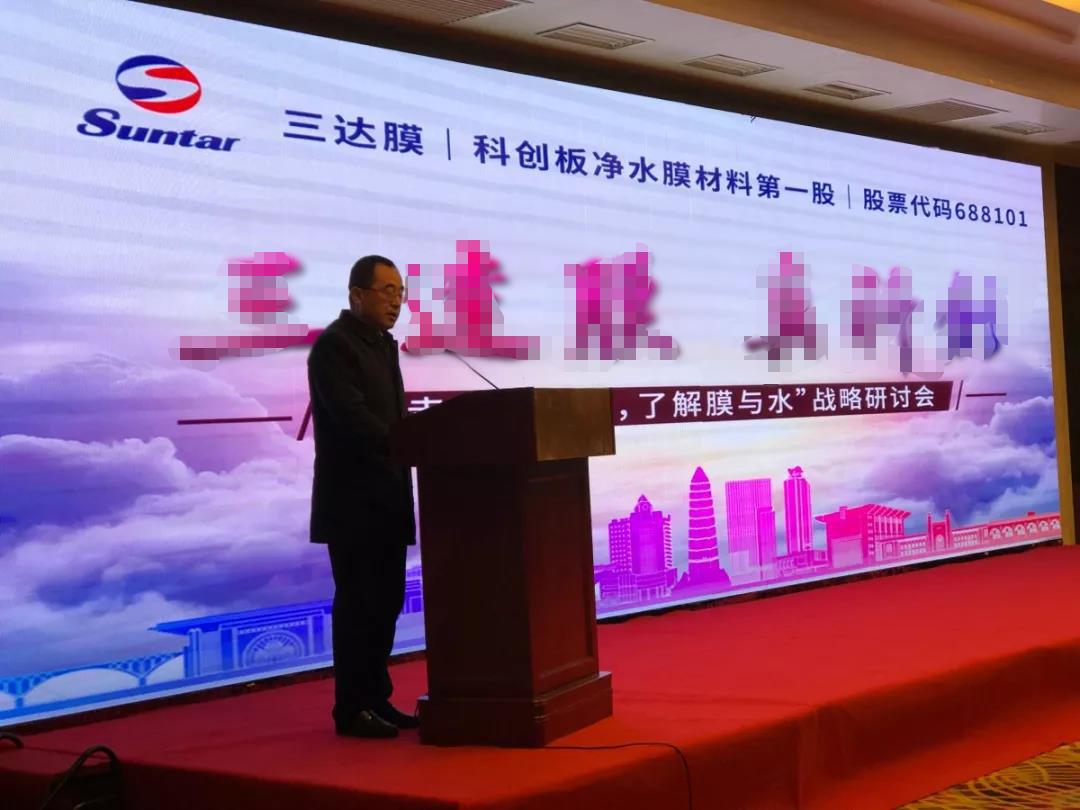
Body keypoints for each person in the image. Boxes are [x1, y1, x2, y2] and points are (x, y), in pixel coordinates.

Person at [307, 255, 417, 738]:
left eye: (401, 293)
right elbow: (351, 419)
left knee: (387, 601)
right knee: (358, 603)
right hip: (352, 500)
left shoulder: (382, 345)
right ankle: (351, 708)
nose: (397, 301)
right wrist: (406, 443)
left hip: (388, 495)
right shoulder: (334, 346)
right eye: (387, 291)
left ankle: (376, 698)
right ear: (357, 294)